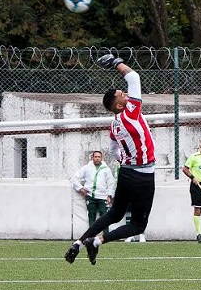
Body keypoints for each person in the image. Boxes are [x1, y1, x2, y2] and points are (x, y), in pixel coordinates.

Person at [64, 54, 156, 265]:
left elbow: (114, 149)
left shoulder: (114, 124)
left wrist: (127, 160)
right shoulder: (130, 114)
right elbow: (134, 78)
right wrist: (116, 62)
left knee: (114, 214)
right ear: (120, 105)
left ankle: (78, 243)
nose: (126, 95)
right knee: (138, 226)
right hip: (142, 174)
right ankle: (97, 241)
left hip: (126, 172)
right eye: (122, 95)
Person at [71, 150, 116, 229]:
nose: (97, 158)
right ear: (92, 158)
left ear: (101, 158)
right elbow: (74, 178)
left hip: (103, 196)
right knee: (91, 216)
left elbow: (111, 183)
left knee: (104, 217)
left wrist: (109, 195)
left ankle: (105, 236)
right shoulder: (86, 168)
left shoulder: (106, 169)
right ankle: (91, 236)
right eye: (96, 157)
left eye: (99, 157)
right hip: (90, 196)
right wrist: (81, 188)